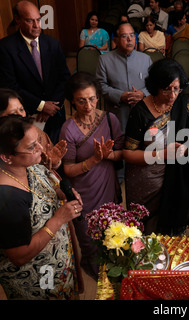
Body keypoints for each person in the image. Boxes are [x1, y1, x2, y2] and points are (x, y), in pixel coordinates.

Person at [123, 58, 189, 236]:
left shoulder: (183, 104)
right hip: (146, 183)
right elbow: (128, 153)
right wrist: (162, 154)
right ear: (156, 86)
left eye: (176, 89)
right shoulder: (140, 112)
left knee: (172, 235)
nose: (172, 95)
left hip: (176, 179)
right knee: (146, 235)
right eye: (166, 89)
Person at [0, 115, 83, 299]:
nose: (40, 148)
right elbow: (19, 256)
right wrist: (59, 219)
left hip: (56, 266)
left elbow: (44, 183)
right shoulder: (8, 199)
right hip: (37, 278)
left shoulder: (28, 164)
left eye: (38, 140)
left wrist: (61, 192)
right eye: (31, 147)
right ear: (7, 157)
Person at [60, 72, 124, 280]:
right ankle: (95, 269)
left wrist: (110, 155)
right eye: (81, 101)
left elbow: (122, 152)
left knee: (111, 231)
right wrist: (94, 160)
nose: (88, 105)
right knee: (89, 235)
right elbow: (68, 170)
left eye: (92, 99)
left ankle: (114, 267)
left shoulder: (109, 118)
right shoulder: (68, 129)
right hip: (84, 191)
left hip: (106, 184)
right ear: (72, 101)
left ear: (98, 97)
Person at [0, 1, 70, 144]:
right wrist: (41, 106)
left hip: (55, 114)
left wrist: (52, 107)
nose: (37, 25)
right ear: (18, 19)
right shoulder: (5, 48)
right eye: (30, 21)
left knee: (58, 154)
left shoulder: (53, 44)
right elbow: (10, 86)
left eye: (38, 20)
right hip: (27, 116)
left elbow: (64, 78)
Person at [96, 21, 152, 133]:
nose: (129, 39)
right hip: (117, 113)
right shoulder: (105, 59)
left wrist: (143, 93)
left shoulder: (146, 59)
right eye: (124, 36)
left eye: (132, 35)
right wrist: (120, 96)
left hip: (142, 112)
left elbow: (154, 83)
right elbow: (100, 85)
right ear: (115, 40)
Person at [0, 88, 66, 172]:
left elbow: (50, 167)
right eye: (13, 113)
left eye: (21, 109)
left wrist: (53, 164)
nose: (21, 115)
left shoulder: (36, 132)